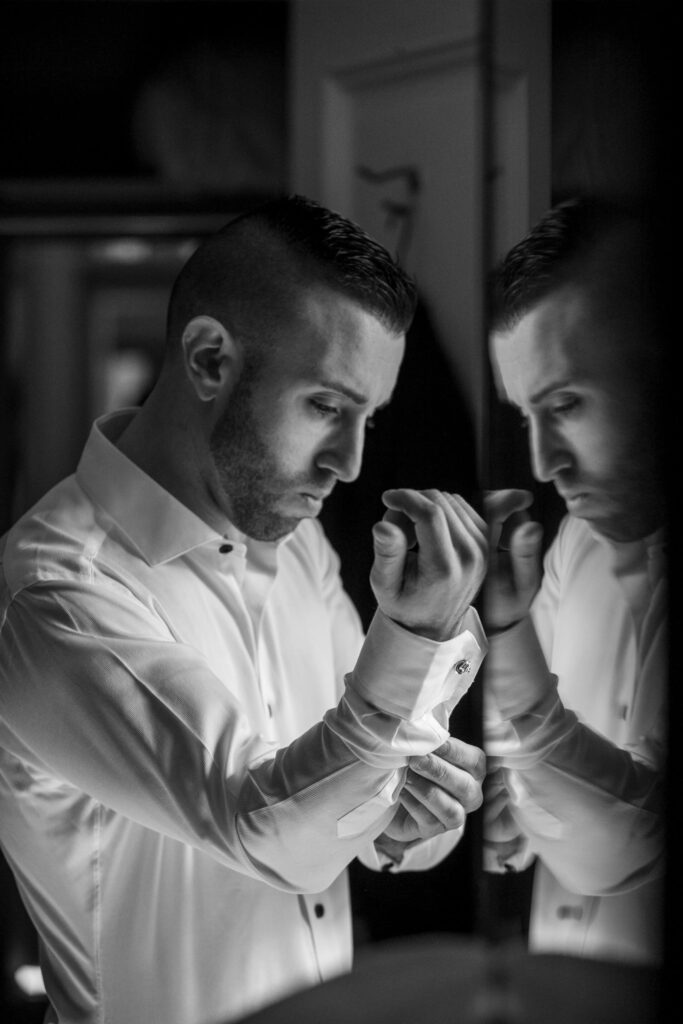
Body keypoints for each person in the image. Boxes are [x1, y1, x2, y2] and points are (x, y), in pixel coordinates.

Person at [0, 195, 488, 1024]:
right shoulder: (54, 595)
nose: (351, 461)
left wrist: (410, 826)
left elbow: (361, 788)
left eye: (368, 417)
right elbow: (264, 824)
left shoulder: (296, 548)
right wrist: (411, 635)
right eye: (326, 407)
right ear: (208, 360)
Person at [482, 195, 666, 966]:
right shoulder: (576, 544)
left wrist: (506, 629)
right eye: (525, 414)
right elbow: (514, 740)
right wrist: (507, 794)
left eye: (565, 405)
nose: (542, 462)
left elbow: (622, 843)